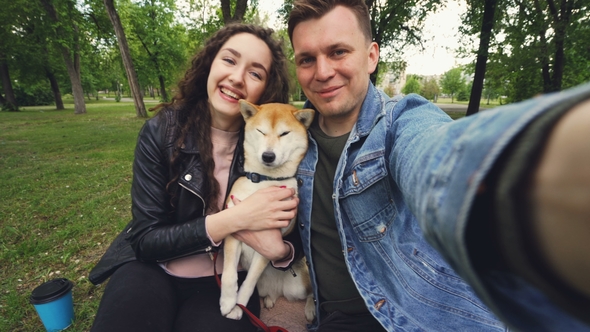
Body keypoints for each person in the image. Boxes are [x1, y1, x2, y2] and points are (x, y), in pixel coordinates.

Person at [287, 0, 590, 331]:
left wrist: (545, 162)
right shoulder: (290, 138)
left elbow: (438, 160)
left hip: (410, 318)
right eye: (307, 59)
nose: (323, 72)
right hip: (331, 319)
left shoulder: (401, 121)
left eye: (338, 52)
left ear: (371, 56)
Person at [88, 24, 302, 332]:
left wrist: (282, 251)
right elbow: (146, 239)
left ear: (265, 92)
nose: (237, 77)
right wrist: (233, 219)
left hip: (223, 280)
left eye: (255, 73)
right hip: (150, 269)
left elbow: (295, 232)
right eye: (229, 60)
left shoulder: (276, 149)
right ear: (210, 64)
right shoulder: (162, 131)